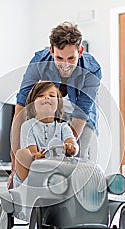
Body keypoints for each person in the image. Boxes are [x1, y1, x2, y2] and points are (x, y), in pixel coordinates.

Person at [10, 22, 102, 182]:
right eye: (59, 58)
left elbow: (82, 112)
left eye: (71, 58)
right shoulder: (39, 62)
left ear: (80, 51)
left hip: (81, 112)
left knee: (79, 155)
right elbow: (21, 105)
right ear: (51, 51)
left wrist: (65, 147)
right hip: (53, 106)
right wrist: (14, 160)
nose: (65, 65)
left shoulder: (92, 69)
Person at [10, 81, 78, 188]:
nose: (46, 97)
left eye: (51, 95)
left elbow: (72, 143)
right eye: (41, 95)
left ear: (58, 104)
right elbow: (31, 152)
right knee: (22, 154)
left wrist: (71, 147)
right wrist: (36, 155)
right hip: (33, 172)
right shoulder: (28, 126)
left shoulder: (63, 127)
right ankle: (28, 191)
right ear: (32, 104)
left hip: (57, 171)